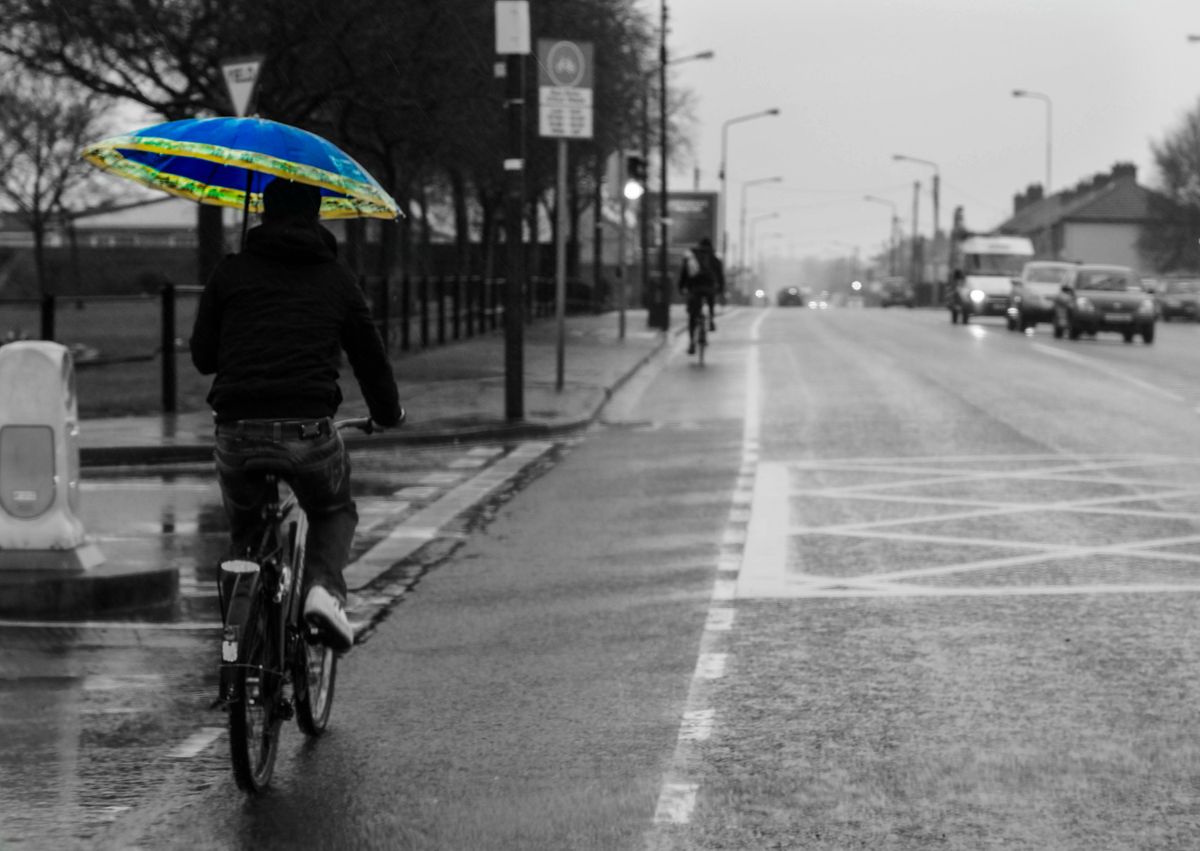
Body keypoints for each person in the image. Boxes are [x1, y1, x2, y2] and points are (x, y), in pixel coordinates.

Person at [190, 177, 404, 652]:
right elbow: (370, 358)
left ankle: (235, 642)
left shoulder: (231, 272)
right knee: (332, 509)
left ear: (262, 213)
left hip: (237, 428)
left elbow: (204, 357)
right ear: (315, 215)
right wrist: (388, 413)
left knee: (245, 530)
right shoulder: (337, 278)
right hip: (308, 429)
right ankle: (323, 592)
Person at [678, 237, 726, 355]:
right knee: (710, 299)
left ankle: (691, 344)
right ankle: (711, 321)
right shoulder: (714, 258)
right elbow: (720, 277)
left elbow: (684, 274)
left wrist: (681, 288)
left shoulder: (691, 256)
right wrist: (720, 289)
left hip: (694, 288)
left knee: (692, 316)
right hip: (709, 288)